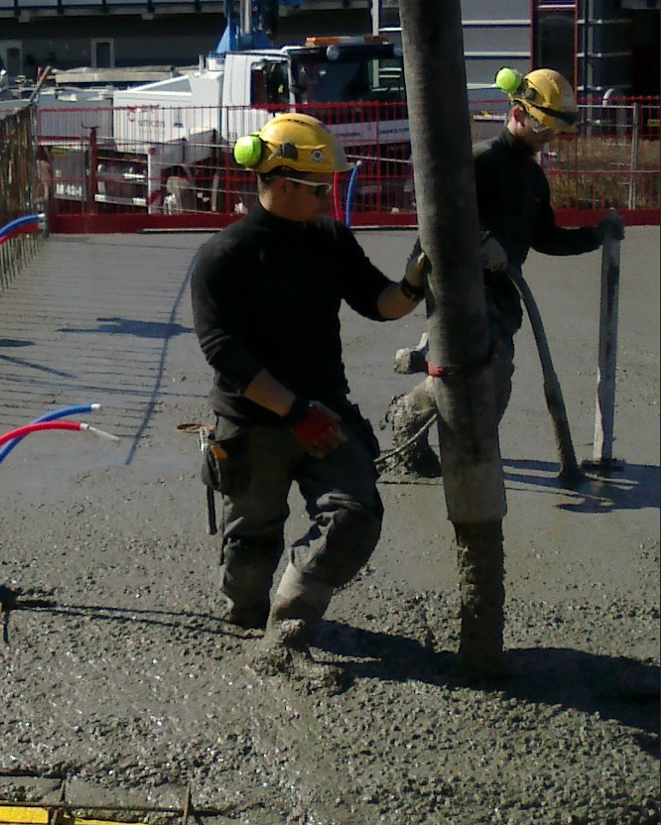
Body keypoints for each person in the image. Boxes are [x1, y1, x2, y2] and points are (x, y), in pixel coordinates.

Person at [190, 112, 428, 641]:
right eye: (319, 188)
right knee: (252, 544)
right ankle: (249, 623)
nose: (328, 197)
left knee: (356, 515)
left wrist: (414, 280)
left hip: (324, 409)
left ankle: (290, 614)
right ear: (279, 183)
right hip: (254, 421)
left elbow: (378, 302)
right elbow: (224, 352)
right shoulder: (222, 257)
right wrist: (295, 412)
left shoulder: (329, 240)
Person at [386, 68, 625, 476]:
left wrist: (594, 236)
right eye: (543, 127)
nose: (549, 137)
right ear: (517, 113)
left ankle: (437, 425)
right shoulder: (479, 162)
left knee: (488, 374)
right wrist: (479, 238)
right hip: (455, 286)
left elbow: (544, 237)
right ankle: (449, 438)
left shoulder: (532, 177)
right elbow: (437, 218)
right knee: (487, 369)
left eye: (554, 130)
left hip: (499, 294)